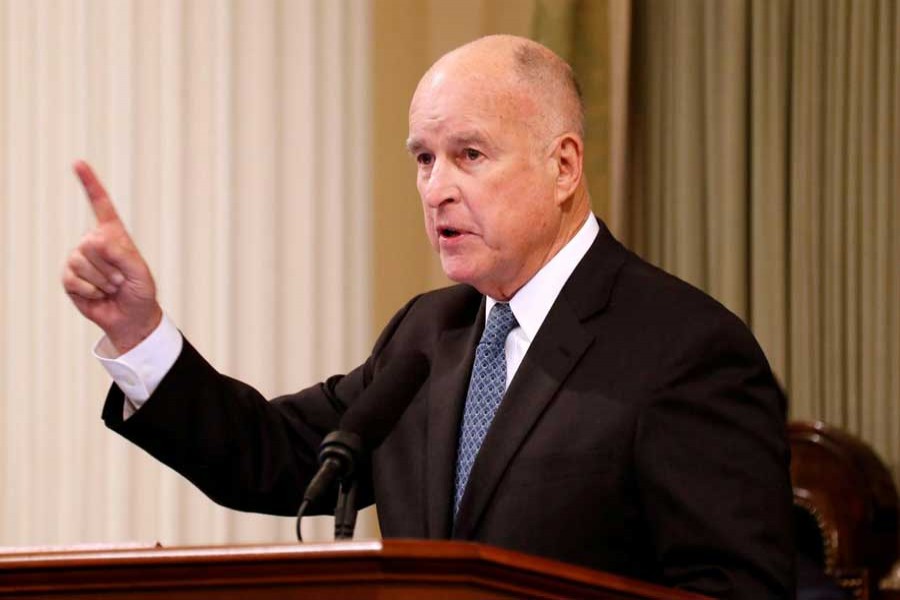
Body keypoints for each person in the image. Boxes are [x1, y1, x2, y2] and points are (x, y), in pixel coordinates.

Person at [62, 35, 795, 597]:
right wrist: (138, 333)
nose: (436, 188)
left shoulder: (685, 348)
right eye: (423, 158)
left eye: (469, 154)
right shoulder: (428, 335)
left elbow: (737, 589)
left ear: (564, 166)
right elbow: (275, 456)